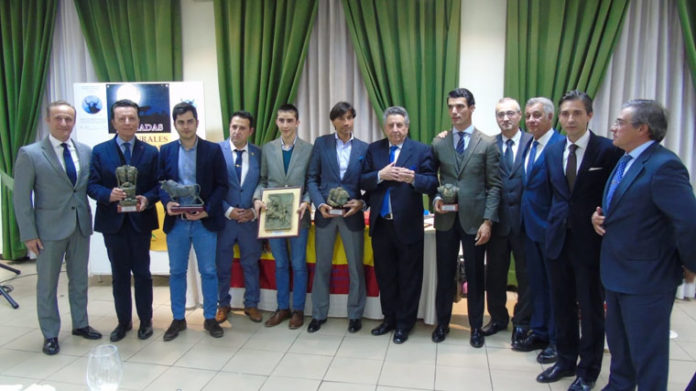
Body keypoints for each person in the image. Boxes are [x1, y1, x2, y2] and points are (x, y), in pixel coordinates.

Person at [592, 99, 696, 390]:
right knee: (620, 349)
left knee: (647, 355)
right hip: (616, 274)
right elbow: (624, 207)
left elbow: (687, 222)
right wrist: (597, 218)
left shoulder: (665, 166)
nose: (613, 127)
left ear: (642, 129)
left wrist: (691, 263)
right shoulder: (625, 160)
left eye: (620, 122)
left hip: (648, 279)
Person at [538, 90, 622, 389]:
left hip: (591, 243)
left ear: (589, 115)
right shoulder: (552, 150)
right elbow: (554, 195)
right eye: (565, 114)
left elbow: (616, 196)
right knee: (560, 305)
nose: (570, 119)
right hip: (557, 239)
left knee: (590, 308)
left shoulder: (608, 150)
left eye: (576, 113)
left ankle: (588, 371)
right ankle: (564, 360)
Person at [13, 100, 102, 355]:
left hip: (80, 226)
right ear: (48, 120)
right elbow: (21, 197)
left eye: (69, 119)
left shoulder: (85, 151)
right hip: (47, 231)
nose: (64, 123)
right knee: (47, 284)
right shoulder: (30, 154)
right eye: (59, 118)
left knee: (79, 281)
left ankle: (81, 324)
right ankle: (50, 333)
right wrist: (28, 233)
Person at [361, 106, 438, 344]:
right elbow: (362, 179)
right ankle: (389, 319)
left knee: (409, 277)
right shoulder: (374, 150)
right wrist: (379, 176)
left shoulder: (421, 150)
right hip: (381, 227)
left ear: (407, 126)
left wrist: (414, 179)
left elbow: (432, 182)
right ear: (385, 127)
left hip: (408, 226)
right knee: (386, 276)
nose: (395, 129)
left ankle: (405, 324)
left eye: (400, 125)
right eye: (391, 125)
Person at [431, 88, 501, 347]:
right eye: (450, 107)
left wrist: (488, 221)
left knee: (475, 275)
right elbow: (432, 179)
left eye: (460, 106)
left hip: (475, 221)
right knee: (445, 273)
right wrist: (436, 199)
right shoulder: (439, 142)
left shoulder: (488, 143)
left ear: (472, 108)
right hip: (446, 220)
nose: (455, 112)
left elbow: (494, 185)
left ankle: (474, 327)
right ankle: (442, 324)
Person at [88, 99, 159, 342]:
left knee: (142, 274)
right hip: (113, 223)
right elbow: (91, 185)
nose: (127, 122)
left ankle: (146, 321)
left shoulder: (150, 152)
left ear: (139, 121)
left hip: (140, 222)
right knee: (119, 275)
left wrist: (146, 199)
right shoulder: (100, 151)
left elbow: (158, 186)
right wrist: (107, 195)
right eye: (122, 118)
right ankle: (123, 322)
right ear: (113, 122)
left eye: (132, 118)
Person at [158, 102, 228, 341]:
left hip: (203, 221)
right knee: (176, 271)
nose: (185, 126)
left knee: (208, 271)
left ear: (197, 122)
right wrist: (167, 202)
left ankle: (210, 318)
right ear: (175, 124)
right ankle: (178, 318)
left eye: (189, 121)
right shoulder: (165, 151)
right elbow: (160, 184)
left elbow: (222, 185)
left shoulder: (212, 150)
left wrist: (207, 210)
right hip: (176, 222)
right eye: (180, 122)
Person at [306, 102, 368, 333]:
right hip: (324, 215)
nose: (346, 123)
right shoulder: (321, 144)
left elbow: (370, 183)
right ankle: (319, 313)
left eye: (350, 118)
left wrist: (362, 202)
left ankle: (355, 314)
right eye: (341, 119)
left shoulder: (364, 148)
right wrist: (319, 203)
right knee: (322, 265)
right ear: (333, 121)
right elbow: (312, 178)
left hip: (352, 216)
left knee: (355, 268)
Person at [253, 104, 313, 329]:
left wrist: (306, 201)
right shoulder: (267, 149)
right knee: (280, 264)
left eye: (290, 120)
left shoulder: (309, 149)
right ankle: (282, 308)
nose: (285, 125)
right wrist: (257, 198)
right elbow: (262, 180)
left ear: (298, 122)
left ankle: (298, 310)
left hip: (299, 215)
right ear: (277, 122)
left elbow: (311, 181)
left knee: (298, 264)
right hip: (274, 216)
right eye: (281, 120)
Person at [515, 97, 564, 363]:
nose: (531, 120)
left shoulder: (559, 146)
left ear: (550, 117)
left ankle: (557, 340)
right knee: (537, 284)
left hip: (550, 229)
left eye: (537, 116)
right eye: (529, 116)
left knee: (556, 287)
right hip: (528, 227)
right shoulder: (529, 144)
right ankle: (541, 331)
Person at [484, 97, 532, 344]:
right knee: (494, 274)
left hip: (526, 223)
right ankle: (497, 318)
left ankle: (522, 322)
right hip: (498, 221)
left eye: (510, 113)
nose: (505, 118)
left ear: (520, 115)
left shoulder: (533, 143)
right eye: (500, 114)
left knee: (526, 275)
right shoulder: (488, 145)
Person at [214, 111, 263, 324]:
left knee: (251, 265)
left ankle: (251, 304)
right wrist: (227, 210)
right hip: (224, 220)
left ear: (250, 131)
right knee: (222, 265)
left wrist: (254, 209)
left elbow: (263, 182)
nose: (237, 131)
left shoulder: (259, 154)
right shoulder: (216, 151)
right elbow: (211, 186)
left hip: (250, 221)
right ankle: (222, 304)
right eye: (234, 126)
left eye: (242, 128)